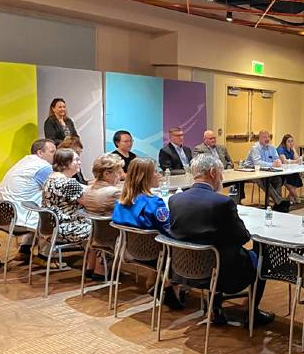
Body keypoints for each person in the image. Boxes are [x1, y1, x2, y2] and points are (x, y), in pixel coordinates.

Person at [169, 154, 275, 327]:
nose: (222, 177)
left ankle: (215, 309)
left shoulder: (175, 200)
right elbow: (242, 237)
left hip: (185, 270)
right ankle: (252, 313)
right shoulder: (222, 202)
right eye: (220, 173)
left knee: (215, 251)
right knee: (263, 256)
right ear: (212, 172)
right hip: (222, 272)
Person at [112, 157, 184, 310]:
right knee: (183, 245)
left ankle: (156, 282)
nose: (159, 175)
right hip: (154, 255)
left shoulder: (121, 201)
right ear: (145, 177)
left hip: (128, 251)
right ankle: (170, 285)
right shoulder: (154, 203)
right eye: (156, 172)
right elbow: (169, 231)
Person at [0, 138, 56, 265]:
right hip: (18, 219)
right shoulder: (43, 167)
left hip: (2, 217)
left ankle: (24, 250)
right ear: (40, 153)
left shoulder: (23, 162)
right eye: (52, 152)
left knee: (36, 210)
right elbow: (58, 189)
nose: (56, 155)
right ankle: (44, 257)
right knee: (51, 216)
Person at [41, 149, 91, 267]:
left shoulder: (50, 179)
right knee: (103, 230)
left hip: (52, 228)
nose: (79, 162)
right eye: (76, 160)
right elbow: (88, 203)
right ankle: (97, 268)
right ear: (65, 164)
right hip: (68, 228)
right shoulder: (68, 183)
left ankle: (91, 265)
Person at [80, 154, 124, 281]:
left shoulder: (88, 190)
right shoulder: (113, 192)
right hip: (111, 237)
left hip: (95, 235)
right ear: (106, 174)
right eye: (117, 172)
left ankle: (91, 266)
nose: (120, 176)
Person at [244, 130, 289, 212]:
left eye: (268, 137)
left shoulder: (271, 147)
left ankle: (277, 204)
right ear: (259, 138)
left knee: (278, 179)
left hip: (267, 171)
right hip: (252, 172)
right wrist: (272, 164)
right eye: (265, 137)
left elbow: (277, 159)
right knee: (265, 180)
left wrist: (278, 162)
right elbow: (257, 163)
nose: (267, 139)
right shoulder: (255, 148)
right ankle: (280, 202)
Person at [276, 134, 303, 204]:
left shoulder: (291, 148)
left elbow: (297, 159)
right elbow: (284, 161)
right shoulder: (280, 148)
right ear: (284, 142)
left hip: (290, 170)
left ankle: (290, 197)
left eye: (292, 141)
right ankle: (296, 196)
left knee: (297, 177)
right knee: (288, 179)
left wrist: (293, 148)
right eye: (289, 141)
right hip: (281, 171)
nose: (291, 143)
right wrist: (295, 161)